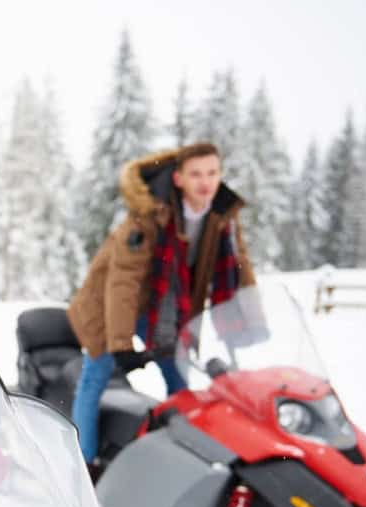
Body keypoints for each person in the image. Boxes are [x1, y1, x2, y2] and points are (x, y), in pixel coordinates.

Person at [67, 142, 257, 467]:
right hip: (110, 304)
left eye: (212, 173)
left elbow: (241, 269)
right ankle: (81, 461)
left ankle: (185, 454)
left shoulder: (221, 217)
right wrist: (121, 344)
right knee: (95, 374)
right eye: (196, 174)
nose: (205, 182)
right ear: (179, 179)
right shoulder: (148, 214)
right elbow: (122, 281)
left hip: (162, 309)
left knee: (178, 372)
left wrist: (250, 319)